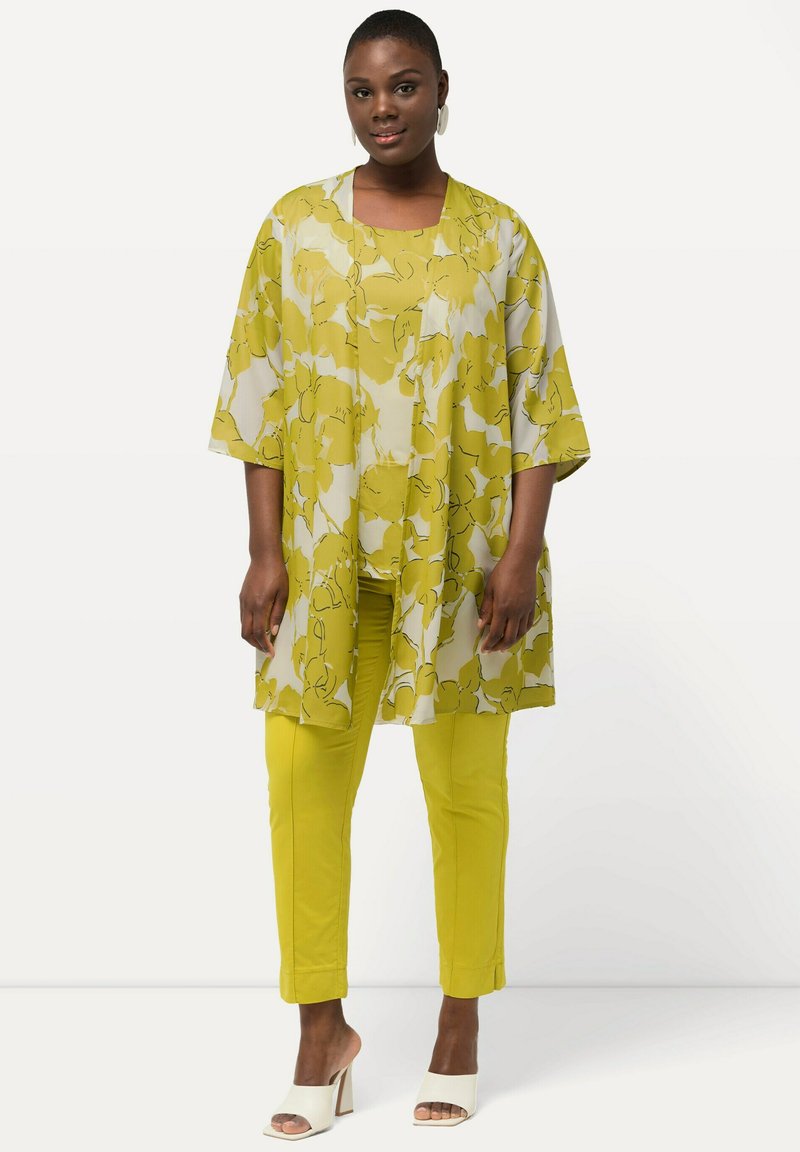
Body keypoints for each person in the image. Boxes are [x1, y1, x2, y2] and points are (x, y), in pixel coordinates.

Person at [207, 8, 591, 1139]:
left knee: (466, 793)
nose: (383, 109)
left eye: (404, 85)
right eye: (363, 90)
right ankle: (319, 1031)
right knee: (299, 783)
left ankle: (459, 1021)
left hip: (459, 569)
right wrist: (263, 551)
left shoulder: (499, 239)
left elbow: (540, 407)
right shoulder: (293, 229)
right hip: (323, 561)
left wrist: (519, 555)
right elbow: (258, 393)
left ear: (441, 90)